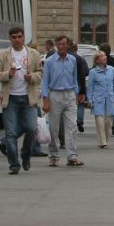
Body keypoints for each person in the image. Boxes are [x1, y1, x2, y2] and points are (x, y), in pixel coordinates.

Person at [0, 26, 43, 176]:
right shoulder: (3, 54)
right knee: (10, 133)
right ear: (10, 38)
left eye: (20, 37)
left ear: (23, 37)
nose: (17, 39)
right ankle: (14, 164)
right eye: (14, 37)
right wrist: (7, 74)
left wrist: (32, 77)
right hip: (11, 98)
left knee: (32, 128)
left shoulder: (33, 54)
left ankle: (26, 154)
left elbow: (40, 73)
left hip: (28, 97)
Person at [43, 36, 84, 167]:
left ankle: (72, 156)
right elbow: (45, 81)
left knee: (72, 126)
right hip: (55, 94)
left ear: (68, 46)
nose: (61, 46)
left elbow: (75, 77)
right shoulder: (49, 61)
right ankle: (54, 155)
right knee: (53, 128)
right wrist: (45, 100)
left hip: (70, 94)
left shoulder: (72, 60)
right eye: (59, 44)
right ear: (56, 45)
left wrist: (77, 93)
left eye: (64, 44)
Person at [86, 51, 114, 149]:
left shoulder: (111, 69)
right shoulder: (93, 72)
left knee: (108, 122)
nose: (105, 57)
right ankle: (103, 142)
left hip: (110, 99)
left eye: (105, 56)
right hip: (98, 100)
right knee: (100, 122)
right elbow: (90, 87)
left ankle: (105, 139)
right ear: (97, 60)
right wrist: (89, 99)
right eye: (102, 56)